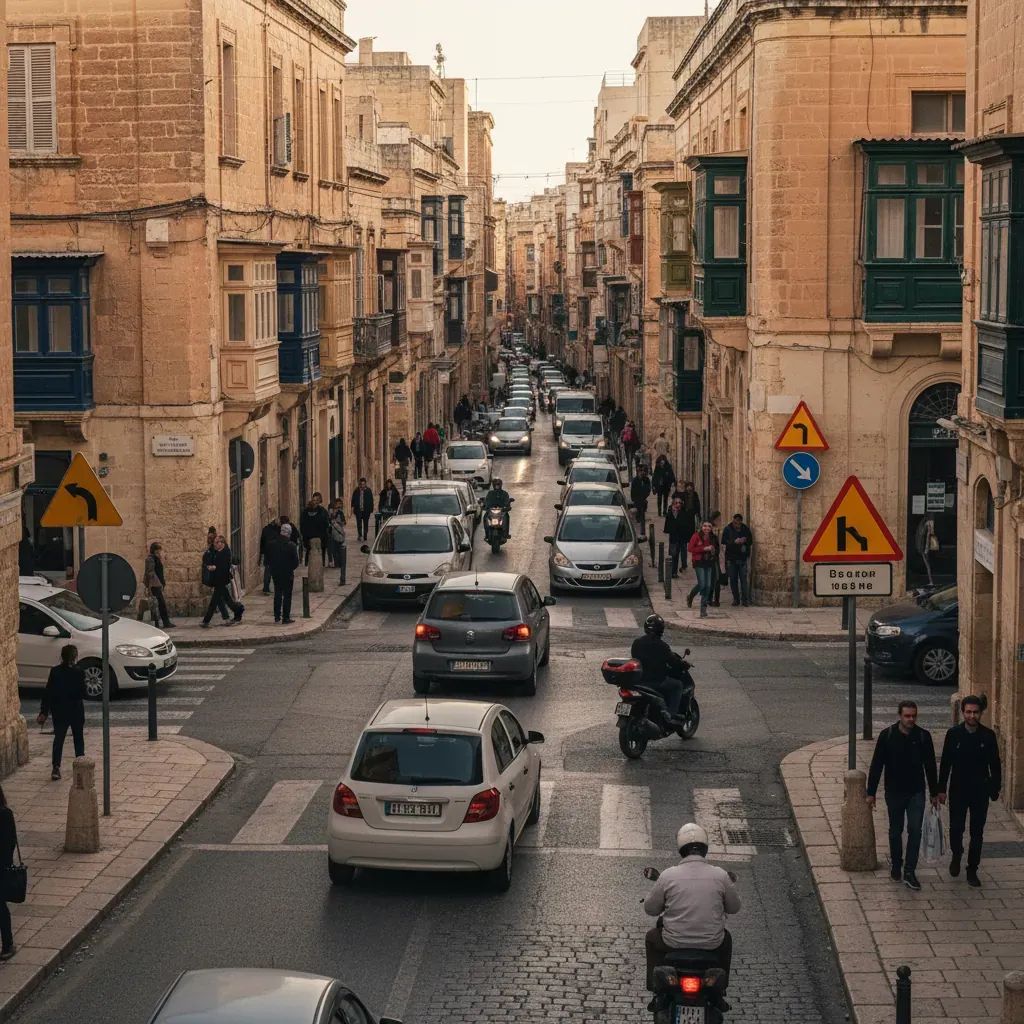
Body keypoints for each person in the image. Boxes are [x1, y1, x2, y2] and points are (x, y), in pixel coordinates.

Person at [644, 823, 740, 1000]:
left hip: (673, 942)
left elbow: (650, 909)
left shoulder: (668, 875)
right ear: (705, 850)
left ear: (681, 850)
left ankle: (654, 986)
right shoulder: (720, 875)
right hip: (712, 943)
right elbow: (734, 908)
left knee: (651, 937)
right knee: (727, 939)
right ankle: (721, 988)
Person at [866, 700, 939, 891]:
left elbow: (930, 766)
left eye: (914, 715)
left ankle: (909, 870)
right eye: (907, 716)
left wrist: (935, 792)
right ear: (900, 716)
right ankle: (897, 864)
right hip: (894, 792)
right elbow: (876, 765)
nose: (911, 719)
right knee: (895, 830)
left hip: (916, 792)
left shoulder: (923, 736)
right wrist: (870, 793)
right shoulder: (887, 736)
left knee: (915, 830)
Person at [938, 696, 1001, 887]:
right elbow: (946, 764)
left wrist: (994, 788)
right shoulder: (954, 734)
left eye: (975, 712)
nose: (972, 715)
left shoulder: (988, 736)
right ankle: (957, 855)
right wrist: (941, 789)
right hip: (958, 790)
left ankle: (972, 868)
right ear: (963, 712)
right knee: (956, 828)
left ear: (980, 713)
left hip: (979, 791)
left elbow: (995, 764)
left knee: (977, 832)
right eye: (968, 712)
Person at [37, 644, 86, 780]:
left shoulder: (55, 671)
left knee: (59, 739)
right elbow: (83, 693)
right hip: (76, 710)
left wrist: (44, 712)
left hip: (60, 711)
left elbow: (48, 693)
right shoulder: (79, 672)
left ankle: (56, 767)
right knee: (78, 738)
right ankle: (80, 766)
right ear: (75, 657)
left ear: (62, 656)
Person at [629, 614, 685, 726]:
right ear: (661, 629)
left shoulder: (637, 643)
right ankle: (672, 715)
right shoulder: (662, 646)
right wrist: (682, 664)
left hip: (639, 681)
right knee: (678, 685)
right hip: (657, 681)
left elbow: (635, 658)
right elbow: (673, 662)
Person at [200, 535, 244, 628]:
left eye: (216, 542)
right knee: (227, 600)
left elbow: (223, 567)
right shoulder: (218, 552)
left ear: (221, 543)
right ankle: (238, 610)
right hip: (218, 581)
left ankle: (206, 621)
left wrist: (214, 567)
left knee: (214, 602)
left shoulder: (225, 553)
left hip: (221, 581)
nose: (215, 544)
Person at [687, 512, 722, 609]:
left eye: (709, 526)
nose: (706, 528)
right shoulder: (696, 536)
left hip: (710, 562)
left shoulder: (713, 538)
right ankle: (690, 596)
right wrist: (704, 549)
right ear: (702, 527)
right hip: (699, 562)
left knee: (709, 584)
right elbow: (690, 549)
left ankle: (704, 605)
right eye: (705, 526)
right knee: (702, 584)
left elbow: (717, 549)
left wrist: (714, 551)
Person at [267, 523, 300, 624]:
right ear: (289, 534)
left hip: (276, 573)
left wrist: (273, 568)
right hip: (287, 573)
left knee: (277, 593)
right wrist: (289, 568)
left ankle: (277, 616)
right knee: (287, 595)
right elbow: (296, 562)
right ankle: (286, 617)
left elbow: (268, 559)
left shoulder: (272, 544)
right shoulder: (292, 546)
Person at [721, 513, 753, 607]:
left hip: (742, 558)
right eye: (735, 523)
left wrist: (744, 540)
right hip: (731, 558)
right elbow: (724, 542)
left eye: (739, 523)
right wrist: (734, 542)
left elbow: (750, 541)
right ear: (733, 521)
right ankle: (736, 599)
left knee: (743, 580)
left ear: (741, 522)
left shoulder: (745, 529)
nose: (737, 525)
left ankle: (745, 600)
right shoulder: (727, 529)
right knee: (733, 579)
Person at [0, 787, 17, 961]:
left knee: (0, 907)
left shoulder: (5, 815)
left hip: (1, 868)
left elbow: (10, 843)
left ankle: (8, 943)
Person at [143, 542, 175, 628]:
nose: (161, 552)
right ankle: (164, 622)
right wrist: (154, 585)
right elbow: (150, 573)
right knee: (159, 604)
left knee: (159, 604)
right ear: (156, 551)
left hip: (157, 585)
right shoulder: (150, 559)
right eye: (159, 550)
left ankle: (163, 622)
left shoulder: (156, 558)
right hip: (154, 585)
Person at [202, 529, 231, 623]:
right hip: (215, 578)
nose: (209, 539)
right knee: (219, 598)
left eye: (211, 537)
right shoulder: (211, 548)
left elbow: (217, 562)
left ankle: (206, 621)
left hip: (218, 577)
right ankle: (226, 617)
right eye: (208, 537)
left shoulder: (217, 550)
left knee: (216, 599)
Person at [299, 492, 330, 566]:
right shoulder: (305, 512)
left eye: (317, 500)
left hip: (320, 538)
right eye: (314, 500)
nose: (315, 502)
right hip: (309, 537)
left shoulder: (323, 511)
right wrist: (304, 535)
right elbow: (302, 524)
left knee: (321, 554)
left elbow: (326, 524)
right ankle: (307, 566)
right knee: (309, 554)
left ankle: (320, 567)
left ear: (319, 501)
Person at [663, 497, 690, 578]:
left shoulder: (684, 513)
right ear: (673, 504)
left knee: (681, 554)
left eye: (679, 503)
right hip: (674, 538)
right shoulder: (670, 514)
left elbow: (686, 525)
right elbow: (667, 526)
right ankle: (673, 572)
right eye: (676, 503)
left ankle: (680, 568)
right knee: (673, 555)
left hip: (682, 537)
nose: (678, 505)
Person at [258, 518, 280, 594]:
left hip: (267, 553)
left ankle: (266, 588)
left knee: (268, 571)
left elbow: (262, 543)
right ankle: (268, 588)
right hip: (274, 553)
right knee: (272, 572)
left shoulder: (265, 529)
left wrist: (261, 554)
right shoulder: (277, 529)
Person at [629, 464, 652, 534]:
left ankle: (642, 532)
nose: (641, 473)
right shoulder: (635, 480)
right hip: (637, 500)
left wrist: (644, 496)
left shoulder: (646, 480)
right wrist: (634, 499)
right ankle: (638, 531)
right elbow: (632, 491)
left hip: (643, 501)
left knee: (642, 517)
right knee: (637, 517)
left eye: (642, 471)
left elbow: (648, 489)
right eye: (640, 471)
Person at [328, 501, 347, 582]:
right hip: (331, 534)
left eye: (336, 508)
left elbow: (344, 522)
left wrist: (338, 522)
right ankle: (335, 562)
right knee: (333, 549)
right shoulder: (329, 514)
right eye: (334, 508)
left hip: (338, 534)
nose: (335, 510)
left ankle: (339, 563)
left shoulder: (340, 513)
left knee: (339, 549)